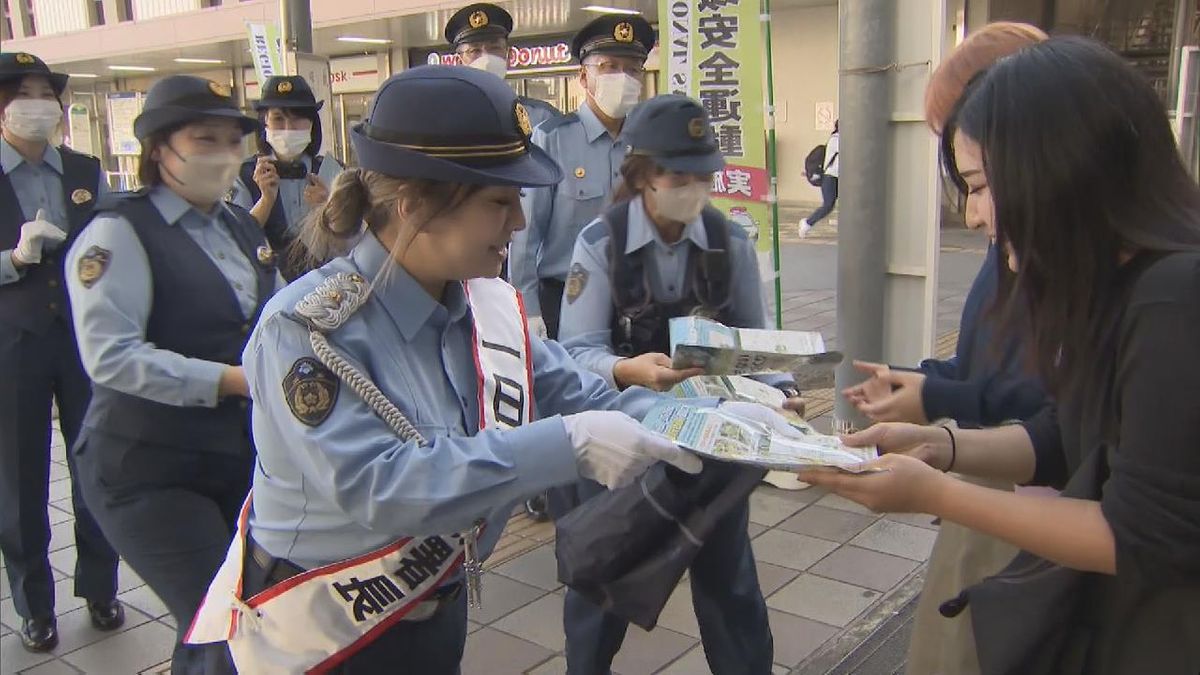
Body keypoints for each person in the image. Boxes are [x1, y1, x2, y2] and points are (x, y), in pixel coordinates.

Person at [179, 66, 781, 674]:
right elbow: (379, 489)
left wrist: (720, 419)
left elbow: (584, 394)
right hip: (317, 636)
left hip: (431, 617)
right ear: (415, 206)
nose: (518, 224)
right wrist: (565, 444)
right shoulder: (308, 330)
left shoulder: (485, 306)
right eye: (499, 202)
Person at [801, 36, 1200, 674]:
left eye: (982, 185)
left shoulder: (1174, 299)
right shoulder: (1112, 286)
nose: (977, 215)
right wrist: (944, 447)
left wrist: (936, 494)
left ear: (1060, 168)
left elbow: (1140, 535)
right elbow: (1064, 435)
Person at [557, 94, 805, 674]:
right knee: (601, 584)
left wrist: (781, 387)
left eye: (703, 175)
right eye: (678, 175)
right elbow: (574, 354)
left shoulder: (730, 242)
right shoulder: (600, 243)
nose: (693, 187)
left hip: (712, 438)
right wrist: (627, 369)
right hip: (624, 439)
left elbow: (754, 346)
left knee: (729, 582)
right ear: (642, 174)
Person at [837, 22, 1050, 675]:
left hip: (1031, 517)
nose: (975, 215)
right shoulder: (1012, 243)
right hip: (995, 482)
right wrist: (925, 393)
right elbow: (1015, 393)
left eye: (979, 183)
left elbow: (1054, 419)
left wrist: (939, 423)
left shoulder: (1121, 278)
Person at [65, 75, 280, 674]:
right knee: (224, 622)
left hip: (233, 457)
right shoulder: (119, 232)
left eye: (233, 140)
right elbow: (111, 356)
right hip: (145, 466)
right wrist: (228, 381)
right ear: (160, 149)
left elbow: (277, 317)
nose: (222, 154)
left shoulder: (239, 225)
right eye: (203, 138)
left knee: (233, 619)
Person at [0, 51, 122, 654]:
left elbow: (109, 240)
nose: (36, 103)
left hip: (83, 341)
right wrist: (15, 259)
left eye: (45, 91)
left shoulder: (83, 168)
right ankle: (34, 605)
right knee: (20, 479)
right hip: (12, 344)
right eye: (22, 92)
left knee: (94, 466)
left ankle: (101, 587)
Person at [511, 14, 655, 341]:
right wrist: (528, 310)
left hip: (635, 302)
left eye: (633, 69)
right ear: (584, 77)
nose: (623, 77)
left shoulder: (650, 144)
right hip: (564, 299)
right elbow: (525, 235)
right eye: (609, 67)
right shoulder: (551, 139)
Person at [231, 75, 343, 281]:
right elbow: (237, 241)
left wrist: (328, 209)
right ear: (265, 121)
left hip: (325, 285)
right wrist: (266, 200)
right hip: (268, 284)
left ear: (312, 123)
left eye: (297, 119)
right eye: (278, 119)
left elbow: (352, 241)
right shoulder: (245, 175)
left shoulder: (332, 171)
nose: (288, 128)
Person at [444, 3, 561, 129]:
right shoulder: (444, 120)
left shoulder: (542, 118)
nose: (486, 59)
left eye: (494, 48)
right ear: (458, 61)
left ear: (509, 55)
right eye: (474, 51)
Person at [797, 120, 837, 237]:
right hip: (830, 177)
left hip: (838, 177)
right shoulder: (836, 140)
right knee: (828, 205)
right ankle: (807, 223)